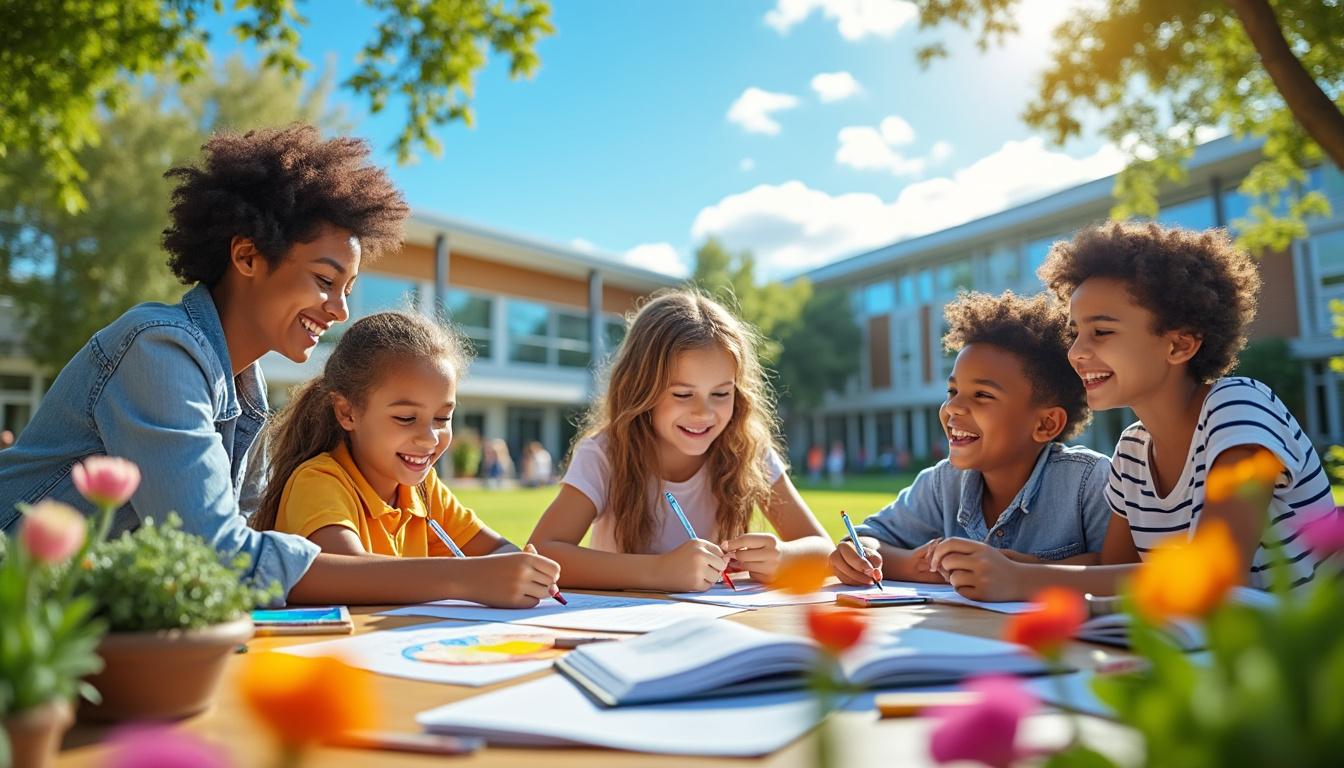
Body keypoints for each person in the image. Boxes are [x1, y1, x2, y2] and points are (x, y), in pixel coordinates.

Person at [0, 125, 526, 606]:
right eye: (325, 280)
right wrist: (464, 577)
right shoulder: (158, 352)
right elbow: (220, 557)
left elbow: (243, 550)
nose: (340, 310)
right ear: (247, 256)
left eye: (347, 290)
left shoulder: (243, 391)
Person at [929, 223, 1334, 600]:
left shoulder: (1237, 408)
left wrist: (1025, 580)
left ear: (1179, 345)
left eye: (1101, 332)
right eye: (1075, 333)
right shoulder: (1132, 452)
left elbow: (1215, 571)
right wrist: (1026, 565)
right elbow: (1116, 568)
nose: (1076, 351)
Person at [528, 290, 831, 592]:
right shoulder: (605, 454)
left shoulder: (748, 449)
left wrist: (783, 557)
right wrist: (659, 571)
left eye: (721, 393)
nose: (703, 412)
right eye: (683, 394)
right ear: (641, 390)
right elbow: (541, 552)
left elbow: (823, 549)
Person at [250, 311, 560, 606]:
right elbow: (341, 576)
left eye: (442, 417)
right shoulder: (319, 481)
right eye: (406, 418)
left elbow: (498, 550)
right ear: (347, 412)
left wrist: (521, 572)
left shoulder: (424, 490)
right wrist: (464, 578)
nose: (429, 438)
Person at [830, 291, 1110, 586]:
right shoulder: (942, 484)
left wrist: (1025, 570)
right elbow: (867, 539)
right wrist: (908, 565)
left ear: (1046, 424)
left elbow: (1118, 567)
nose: (952, 407)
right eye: (952, 392)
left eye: (982, 395)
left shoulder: (1089, 482)